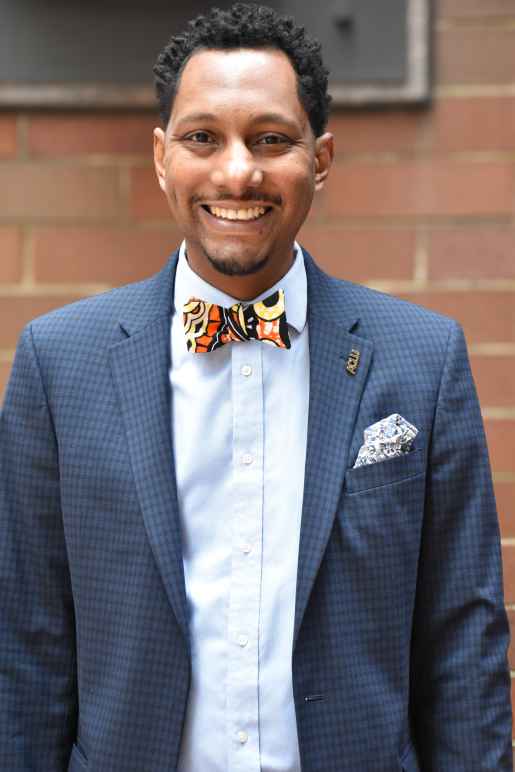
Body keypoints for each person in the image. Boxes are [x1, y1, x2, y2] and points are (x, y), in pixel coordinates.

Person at [0, 3, 512, 770]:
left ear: (322, 157)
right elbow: (25, 645)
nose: (237, 171)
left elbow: (461, 640)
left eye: (270, 139)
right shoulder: (57, 362)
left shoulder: (421, 357)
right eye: (202, 137)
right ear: (161, 156)